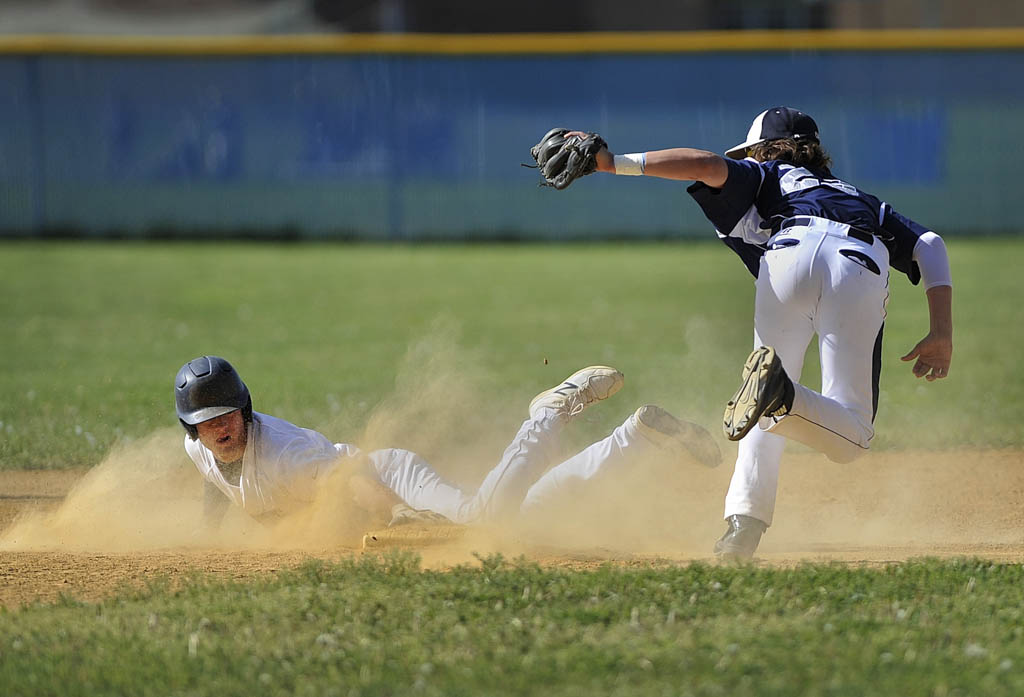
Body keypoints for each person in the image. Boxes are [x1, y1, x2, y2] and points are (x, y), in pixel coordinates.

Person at [571, 106, 953, 560]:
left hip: (785, 255)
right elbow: (929, 244)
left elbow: (707, 165)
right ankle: (781, 397)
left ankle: (742, 529)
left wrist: (612, 163)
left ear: (763, 150)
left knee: (760, 407)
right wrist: (941, 332)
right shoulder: (860, 197)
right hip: (858, 261)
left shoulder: (765, 174)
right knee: (850, 435)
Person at [173, 355, 721, 533]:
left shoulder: (286, 453)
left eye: (227, 416)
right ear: (192, 430)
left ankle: (551, 412)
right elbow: (217, 481)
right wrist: (210, 537)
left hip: (388, 482)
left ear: (243, 410)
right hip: (381, 495)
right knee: (523, 517)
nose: (219, 429)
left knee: (483, 518)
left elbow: (353, 479)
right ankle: (636, 439)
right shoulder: (202, 448)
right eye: (206, 422)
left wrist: (401, 517)